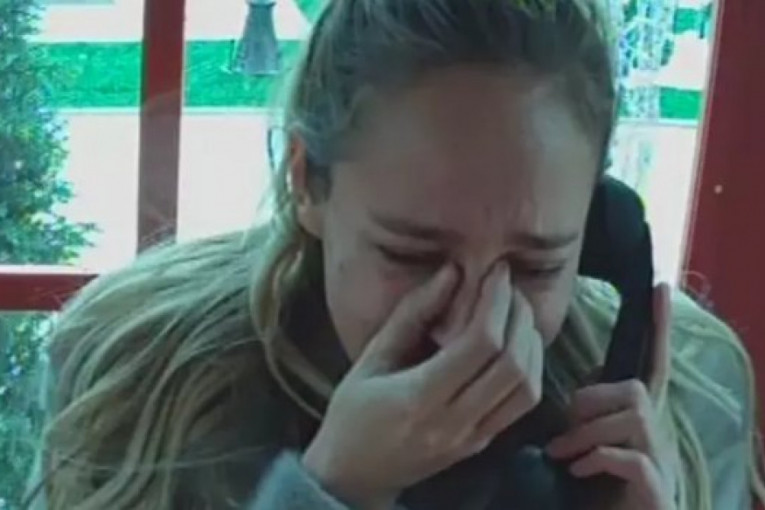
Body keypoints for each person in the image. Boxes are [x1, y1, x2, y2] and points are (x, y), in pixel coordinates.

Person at [27, 1, 765, 509]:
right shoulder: (134, 384)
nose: (472, 329)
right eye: (412, 256)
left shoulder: (692, 400)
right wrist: (328, 491)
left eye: (536, 267)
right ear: (306, 182)